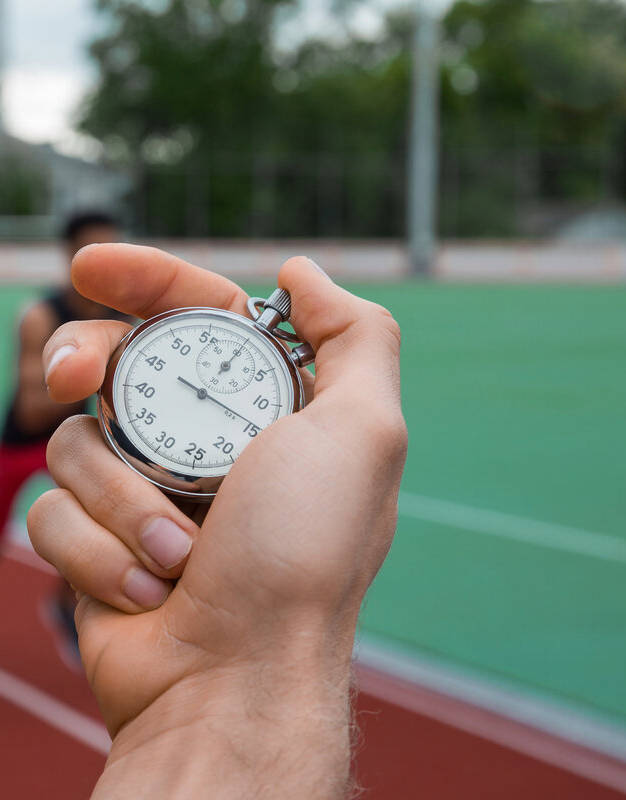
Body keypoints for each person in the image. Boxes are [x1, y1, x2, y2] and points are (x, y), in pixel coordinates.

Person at [28, 244, 407, 797]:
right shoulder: (180, 345)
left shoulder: (288, 402)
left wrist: (253, 664)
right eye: (199, 383)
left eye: (216, 389)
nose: (205, 389)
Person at [0, 211, 131, 682]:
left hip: (79, 438)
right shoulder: (41, 316)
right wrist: (91, 373)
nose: (103, 261)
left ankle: (62, 602)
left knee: (104, 521)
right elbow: (30, 406)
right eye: (92, 251)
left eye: (111, 249)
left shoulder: (121, 318)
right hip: (24, 440)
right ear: (70, 256)